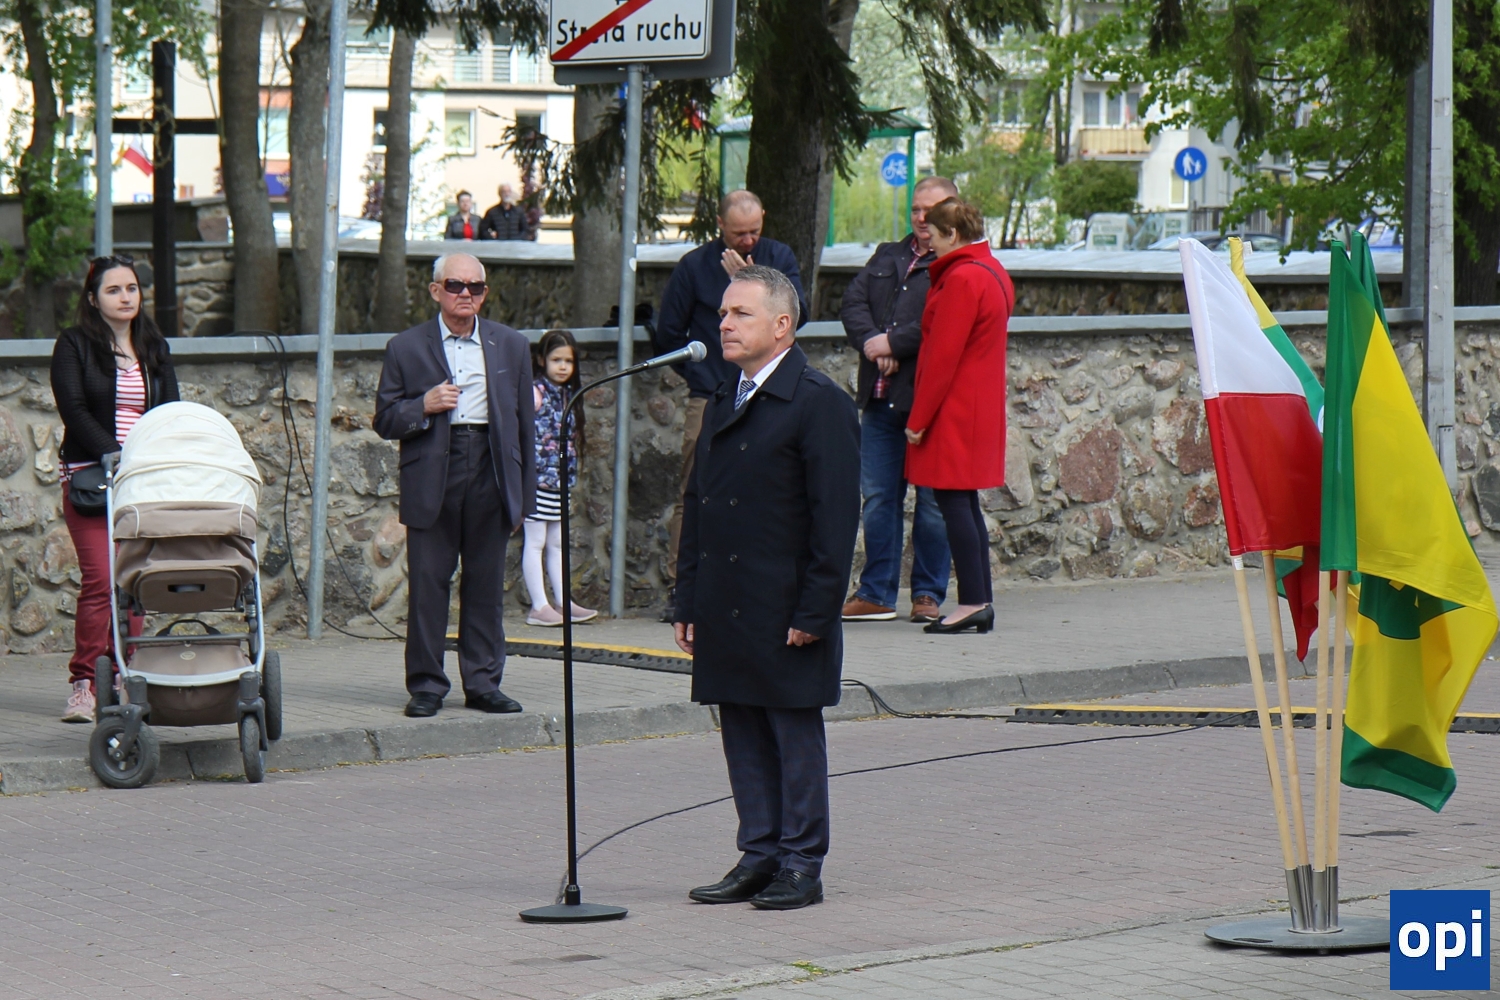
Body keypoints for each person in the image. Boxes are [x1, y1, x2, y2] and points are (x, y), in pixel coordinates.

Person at [674, 266, 860, 911]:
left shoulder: (818, 401)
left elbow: (835, 520)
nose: (723, 324)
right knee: (742, 728)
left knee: (791, 732)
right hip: (727, 598)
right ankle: (759, 854)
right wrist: (687, 599)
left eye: (740, 314)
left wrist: (816, 610)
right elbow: (698, 505)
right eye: (723, 313)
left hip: (784, 603)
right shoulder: (725, 394)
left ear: (782, 325)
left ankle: (801, 862)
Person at [373, 252, 534, 717]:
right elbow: (385, 419)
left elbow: (524, 425)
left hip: (491, 467)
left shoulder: (511, 344)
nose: (466, 294)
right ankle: (427, 685)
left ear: (485, 293)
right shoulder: (405, 347)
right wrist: (422, 405)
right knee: (428, 585)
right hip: (433, 473)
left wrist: (523, 497)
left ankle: (483, 683)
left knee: (485, 585)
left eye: (475, 287)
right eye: (456, 285)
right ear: (435, 291)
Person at [655, 189, 810, 622]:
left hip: (772, 392)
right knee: (696, 490)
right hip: (711, 394)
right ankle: (682, 587)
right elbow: (669, 334)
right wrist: (702, 379)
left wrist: (751, 278)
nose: (747, 240)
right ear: (720, 225)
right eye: (739, 233)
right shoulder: (695, 266)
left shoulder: (778, 256)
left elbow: (801, 314)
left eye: (754, 231)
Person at [50, 255, 179, 722]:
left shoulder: (153, 346)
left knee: (134, 580)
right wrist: (116, 453)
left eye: (132, 288)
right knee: (102, 579)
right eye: (113, 290)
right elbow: (74, 409)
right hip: (91, 477)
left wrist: (150, 459)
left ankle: (125, 673)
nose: (126, 297)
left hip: (140, 479)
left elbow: (170, 409)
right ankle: (85, 683)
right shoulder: (75, 344)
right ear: (93, 299)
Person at [839, 175, 958, 625]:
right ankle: (877, 593)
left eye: (933, 210)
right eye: (916, 210)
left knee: (932, 504)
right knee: (878, 499)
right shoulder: (887, 255)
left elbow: (941, 325)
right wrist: (874, 342)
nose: (922, 218)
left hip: (927, 403)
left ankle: (927, 594)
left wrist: (892, 343)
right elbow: (852, 304)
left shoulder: (955, 265)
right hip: (880, 399)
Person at [904, 198, 1014, 635]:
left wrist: (918, 420)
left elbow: (942, 357)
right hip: (976, 406)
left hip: (954, 409)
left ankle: (973, 602)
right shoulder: (991, 271)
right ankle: (978, 599)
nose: (928, 243)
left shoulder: (963, 278)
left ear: (952, 234)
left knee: (954, 504)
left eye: (933, 235)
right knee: (963, 504)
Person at [522, 329, 597, 627]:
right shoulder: (534, 393)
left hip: (559, 482)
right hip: (536, 482)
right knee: (535, 541)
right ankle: (538, 605)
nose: (563, 367)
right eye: (556, 360)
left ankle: (563, 601)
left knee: (557, 542)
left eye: (569, 361)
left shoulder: (568, 395)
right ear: (542, 360)